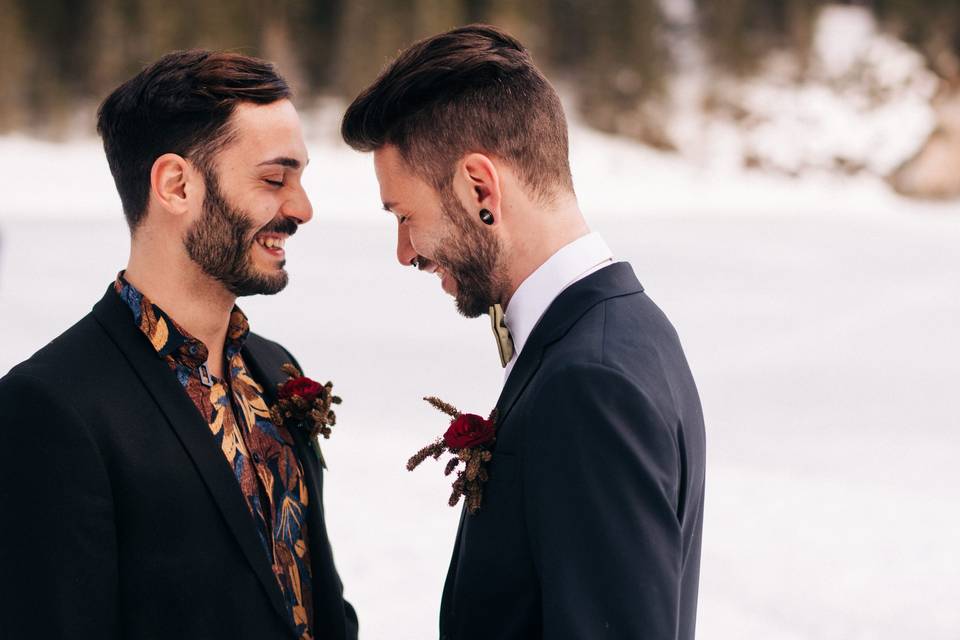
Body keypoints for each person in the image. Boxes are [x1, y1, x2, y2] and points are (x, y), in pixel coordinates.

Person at [342, 24, 705, 640]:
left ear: (480, 188)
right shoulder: (620, 328)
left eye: (406, 216)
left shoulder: (590, 382)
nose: (404, 252)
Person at [0, 50, 357, 640]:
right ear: (175, 185)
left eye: (301, 179)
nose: (302, 208)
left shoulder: (275, 367)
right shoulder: (48, 407)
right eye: (275, 178)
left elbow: (317, 602)